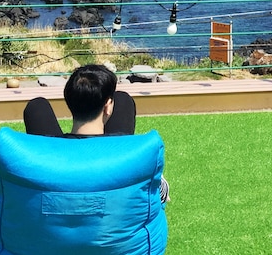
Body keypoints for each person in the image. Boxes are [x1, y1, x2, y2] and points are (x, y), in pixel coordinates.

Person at [24, 64, 168, 202]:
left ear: (69, 102)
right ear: (108, 107)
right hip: (115, 168)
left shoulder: (47, 158)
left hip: (57, 160)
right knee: (123, 99)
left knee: (37, 106)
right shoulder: (132, 156)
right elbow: (159, 195)